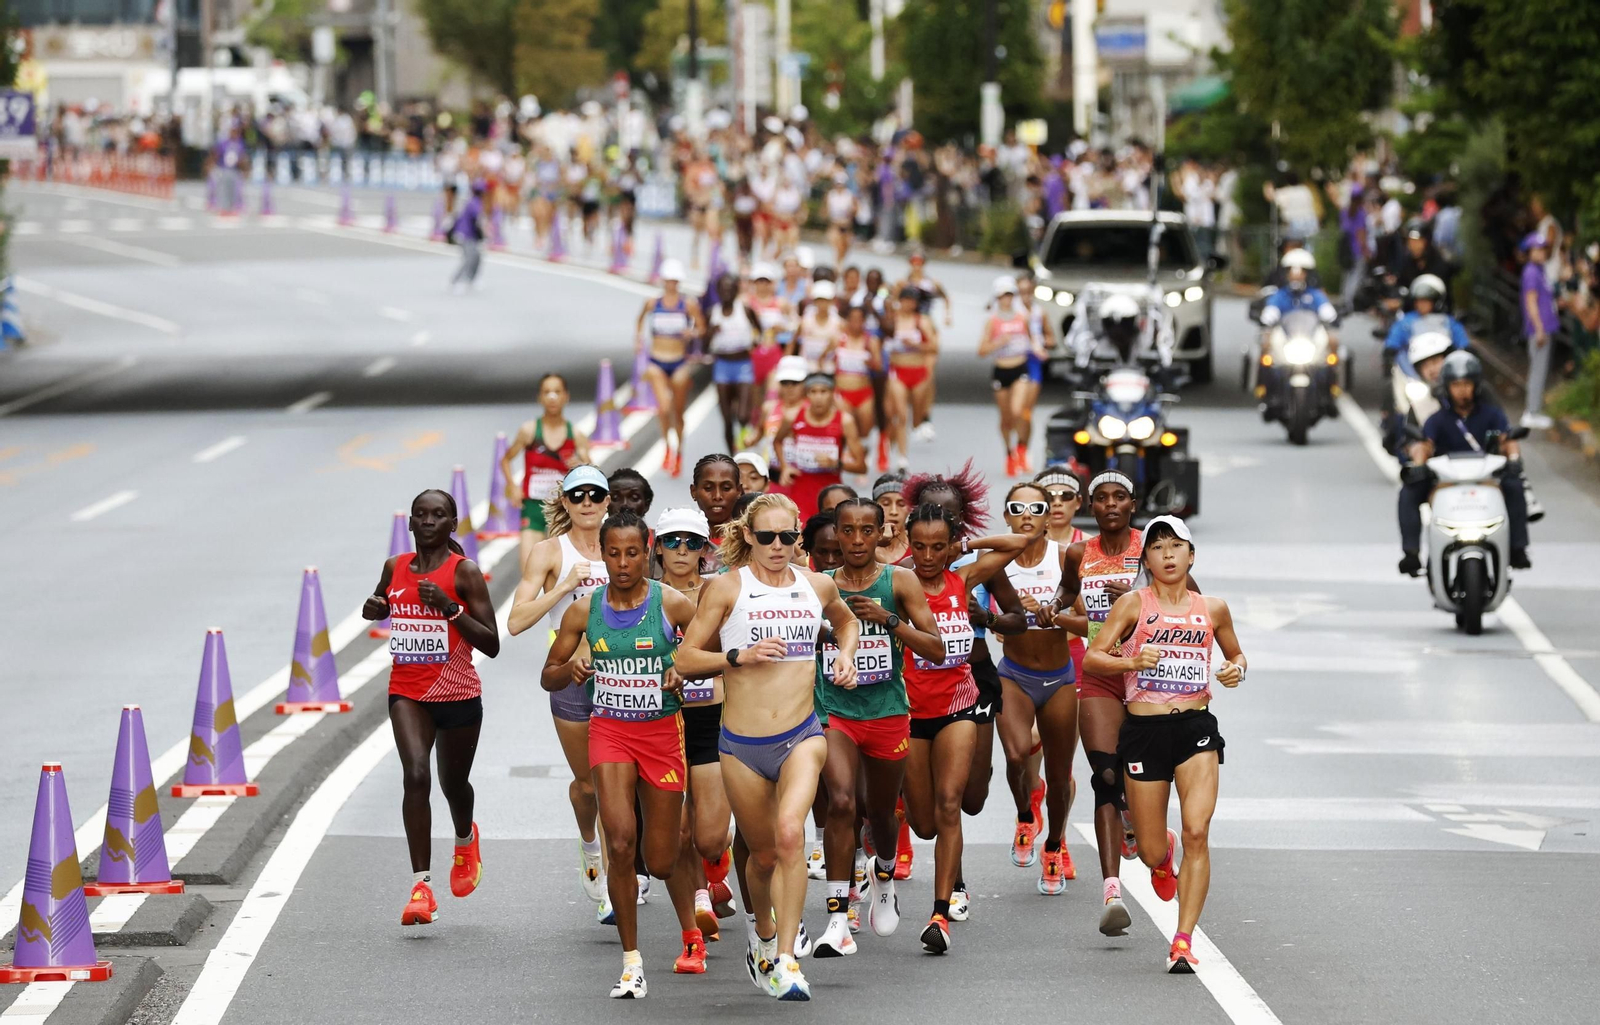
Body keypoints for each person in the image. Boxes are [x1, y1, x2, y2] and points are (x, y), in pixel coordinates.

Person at [674, 493, 861, 1001]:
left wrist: (844, 656)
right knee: (759, 857)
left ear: (798, 538)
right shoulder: (727, 588)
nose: (777, 547)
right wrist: (738, 655)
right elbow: (687, 659)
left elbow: (846, 621)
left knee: (789, 835)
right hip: (740, 746)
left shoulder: (817, 584)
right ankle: (761, 941)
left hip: (802, 735)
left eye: (786, 537)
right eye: (766, 537)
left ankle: (785, 958)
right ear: (748, 538)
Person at [542, 510, 702, 996]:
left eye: (632, 552)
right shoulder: (582, 611)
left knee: (663, 857)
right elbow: (547, 675)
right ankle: (631, 961)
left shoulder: (672, 604)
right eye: (613, 553)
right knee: (619, 842)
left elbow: (710, 653)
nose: (623, 562)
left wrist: (684, 670)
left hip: (661, 735)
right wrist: (570, 669)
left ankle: (690, 933)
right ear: (603, 555)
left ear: (647, 551)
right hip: (609, 732)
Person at [1083, 515, 1247, 973]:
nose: (1168, 554)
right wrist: (1132, 661)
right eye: (1157, 547)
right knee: (1153, 850)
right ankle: (1160, 856)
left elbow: (1235, 654)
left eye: (1177, 546)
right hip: (1144, 733)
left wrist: (1236, 670)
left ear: (1191, 556)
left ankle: (1182, 940)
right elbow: (1096, 656)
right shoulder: (1134, 605)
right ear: (1147, 560)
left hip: (1195, 728)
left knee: (1199, 830)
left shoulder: (1213, 608)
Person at [812, 499, 948, 957]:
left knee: (881, 811)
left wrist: (889, 620)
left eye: (865, 531)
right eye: (846, 531)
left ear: (881, 534)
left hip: (887, 711)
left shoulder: (900, 581)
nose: (855, 541)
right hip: (834, 711)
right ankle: (837, 917)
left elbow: (937, 648)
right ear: (836, 532)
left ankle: (884, 873)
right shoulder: (818, 586)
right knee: (842, 803)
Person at [900, 502, 1034, 952]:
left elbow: (1021, 542)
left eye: (938, 546)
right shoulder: (897, 582)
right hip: (910, 714)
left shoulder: (964, 578)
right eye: (918, 546)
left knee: (950, 804)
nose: (928, 556)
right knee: (922, 824)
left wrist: (967, 545)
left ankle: (940, 914)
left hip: (959, 706)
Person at [363, 489, 500, 925]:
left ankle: (464, 838)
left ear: (452, 523)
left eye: (437, 515)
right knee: (416, 774)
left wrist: (450, 609)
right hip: (407, 692)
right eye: (420, 515)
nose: (427, 521)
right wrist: (375, 608)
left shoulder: (465, 573)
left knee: (453, 784)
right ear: (410, 524)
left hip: (458, 694)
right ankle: (421, 887)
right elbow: (382, 602)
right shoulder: (395, 567)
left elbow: (492, 644)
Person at [508, 466, 612, 918]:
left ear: (608, 501)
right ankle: (589, 844)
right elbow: (515, 621)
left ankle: (614, 886)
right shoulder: (550, 552)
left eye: (596, 494)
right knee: (588, 785)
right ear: (565, 503)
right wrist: (566, 588)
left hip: (624, 677)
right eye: (578, 495)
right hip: (570, 675)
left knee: (615, 787)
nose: (587, 502)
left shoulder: (624, 546)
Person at [1046, 471, 1143, 935]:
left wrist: (1140, 602)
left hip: (1149, 676)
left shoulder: (1151, 548)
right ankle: (1112, 893)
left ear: (1132, 503)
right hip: (1100, 670)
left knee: (1137, 772)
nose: (1109, 505)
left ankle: (1137, 819)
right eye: (1101, 498)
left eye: (1118, 497)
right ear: (1091, 505)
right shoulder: (1078, 553)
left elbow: (1195, 601)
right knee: (1105, 772)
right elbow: (1067, 594)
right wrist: (1052, 610)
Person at [992, 482, 1081, 894]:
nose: (1027, 514)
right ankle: (1026, 815)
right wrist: (999, 620)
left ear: (1050, 517)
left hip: (1060, 677)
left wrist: (1055, 615)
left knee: (1061, 777)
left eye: (1037, 507)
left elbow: (1089, 623)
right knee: (1015, 755)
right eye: (1017, 507)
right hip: (1014, 674)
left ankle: (1054, 845)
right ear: (1007, 517)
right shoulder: (992, 564)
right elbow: (969, 610)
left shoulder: (1065, 557)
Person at [654, 507, 738, 944]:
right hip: (660, 722)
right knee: (679, 830)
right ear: (658, 547)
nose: (682, 550)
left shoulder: (720, 591)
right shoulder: (644, 593)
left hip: (709, 719)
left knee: (706, 838)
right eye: (672, 541)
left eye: (691, 542)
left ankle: (716, 859)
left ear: (706, 549)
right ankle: (696, 910)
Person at [1398, 351, 1532, 574]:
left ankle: (1518, 549)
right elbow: (1425, 445)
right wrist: (1419, 465)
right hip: (1445, 481)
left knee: (1515, 486)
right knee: (1408, 492)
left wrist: (1514, 460)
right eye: (1456, 385)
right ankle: (1411, 553)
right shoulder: (1436, 419)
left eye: (1467, 384)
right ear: (1447, 387)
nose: (1462, 390)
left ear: (1476, 386)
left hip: (1486, 479)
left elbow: (1507, 440)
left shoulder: (1492, 414)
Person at [502, 374, 593, 576]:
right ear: (540, 398)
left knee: (559, 574)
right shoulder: (529, 431)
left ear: (566, 397)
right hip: (532, 509)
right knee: (528, 572)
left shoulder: (576, 435)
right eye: (547, 392)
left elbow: (591, 472)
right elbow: (506, 460)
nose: (552, 397)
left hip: (561, 512)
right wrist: (512, 487)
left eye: (557, 392)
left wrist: (579, 465)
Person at [636, 259, 705, 476]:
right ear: (663, 281)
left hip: (678, 361)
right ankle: (667, 447)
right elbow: (639, 321)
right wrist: (638, 340)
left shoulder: (688, 304)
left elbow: (702, 327)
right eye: (668, 281)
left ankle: (680, 450)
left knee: (678, 411)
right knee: (664, 408)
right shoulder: (652, 303)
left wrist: (691, 333)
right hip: (656, 360)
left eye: (675, 281)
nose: (671, 285)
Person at [773, 374, 866, 520]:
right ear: (806, 394)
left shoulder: (844, 421)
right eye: (813, 392)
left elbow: (861, 467)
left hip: (831, 494)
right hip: (800, 491)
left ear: (832, 393)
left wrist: (837, 463)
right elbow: (777, 441)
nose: (818, 397)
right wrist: (785, 466)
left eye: (823, 392)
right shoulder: (793, 416)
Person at [978, 276, 1039, 478]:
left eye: (1010, 295)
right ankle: (1009, 453)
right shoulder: (992, 321)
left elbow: (1033, 340)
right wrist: (999, 342)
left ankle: (1021, 449)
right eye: (1003, 296)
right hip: (1001, 370)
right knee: (1006, 418)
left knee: (1018, 410)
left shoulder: (1022, 318)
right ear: (997, 297)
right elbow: (982, 350)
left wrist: (1039, 349)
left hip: (1020, 367)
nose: (1007, 299)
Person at [704, 272, 765, 453]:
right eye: (723, 289)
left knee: (743, 415)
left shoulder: (745, 310)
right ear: (718, 291)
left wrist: (754, 343)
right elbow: (704, 347)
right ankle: (733, 455)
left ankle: (746, 440)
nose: (727, 293)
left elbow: (759, 330)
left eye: (731, 289)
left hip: (743, 365)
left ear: (736, 290)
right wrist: (710, 333)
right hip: (722, 366)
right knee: (727, 418)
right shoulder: (712, 314)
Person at [884, 286, 940, 470]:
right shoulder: (892, 320)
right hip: (898, 371)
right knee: (901, 414)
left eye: (912, 300)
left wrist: (917, 345)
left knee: (916, 417)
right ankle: (902, 458)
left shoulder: (922, 321)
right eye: (905, 299)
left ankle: (917, 426)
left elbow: (933, 347)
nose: (908, 303)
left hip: (918, 372)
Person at [1382, 274, 1469, 371]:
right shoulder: (1406, 321)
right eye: (1418, 301)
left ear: (1436, 301)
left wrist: (1467, 350)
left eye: (1425, 301)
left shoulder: (1448, 321)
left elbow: (1462, 342)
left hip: (1443, 370)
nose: (1421, 305)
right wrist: (1389, 351)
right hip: (1413, 369)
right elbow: (1394, 338)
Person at [828, 305, 882, 454]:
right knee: (846, 426)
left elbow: (879, 366)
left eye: (859, 320)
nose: (855, 323)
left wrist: (870, 363)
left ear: (864, 321)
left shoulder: (871, 341)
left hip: (863, 392)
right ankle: (848, 454)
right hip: (843, 392)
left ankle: (863, 454)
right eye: (852, 320)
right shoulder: (838, 338)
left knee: (865, 428)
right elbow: (824, 358)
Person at [1520, 233, 1559, 430]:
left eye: (1543, 249)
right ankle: (1532, 411)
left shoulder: (1540, 270)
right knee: (1537, 370)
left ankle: (1534, 409)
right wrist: (1539, 328)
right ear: (1529, 252)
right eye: (1537, 249)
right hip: (1539, 330)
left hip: (1544, 328)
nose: (1541, 252)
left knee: (1539, 370)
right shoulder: (1531, 272)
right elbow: (1531, 302)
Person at [794, 281, 843, 373]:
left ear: (831, 301)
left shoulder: (838, 323)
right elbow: (794, 341)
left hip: (829, 368)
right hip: (806, 367)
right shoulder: (805, 321)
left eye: (825, 300)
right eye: (820, 300)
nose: (822, 303)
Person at [449, 180, 487, 294]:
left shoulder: (473, 201)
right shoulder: (474, 202)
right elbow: (477, 221)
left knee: (477, 257)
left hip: (470, 234)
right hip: (466, 234)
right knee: (469, 258)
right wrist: (484, 234)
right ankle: (457, 281)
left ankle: (471, 279)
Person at [872, 472, 910, 565]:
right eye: (885, 503)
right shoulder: (862, 546)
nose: (894, 511)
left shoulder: (918, 545)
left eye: (901, 504)